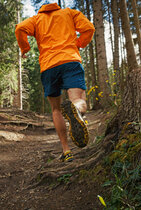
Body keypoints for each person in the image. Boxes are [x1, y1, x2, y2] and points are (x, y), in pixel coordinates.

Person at [15, 3, 95, 162]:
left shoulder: (37, 19)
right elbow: (89, 28)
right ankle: (77, 109)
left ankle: (66, 150)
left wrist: (25, 48)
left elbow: (19, 29)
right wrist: (79, 44)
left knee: (56, 110)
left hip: (49, 66)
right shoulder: (69, 13)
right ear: (56, 7)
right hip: (70, 61)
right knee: (78, 99)